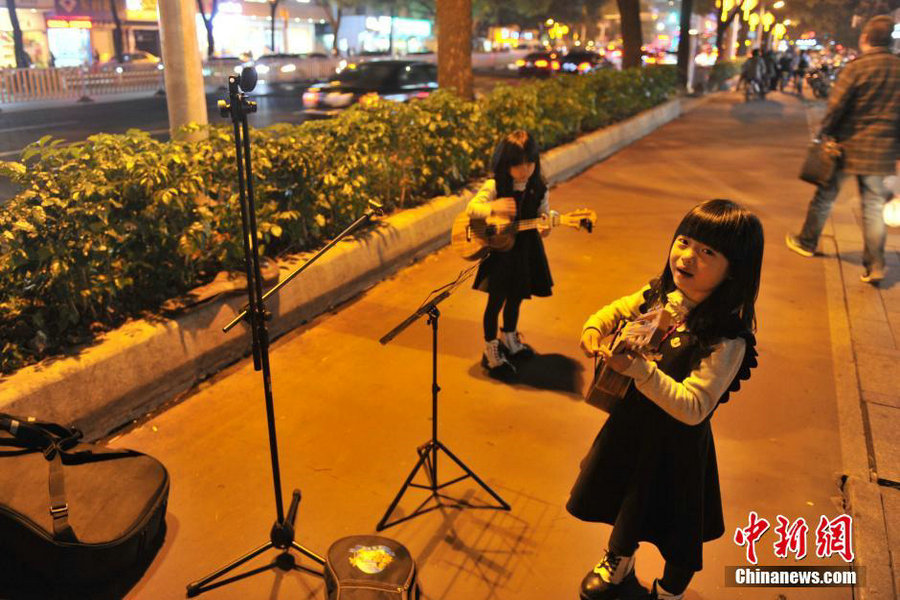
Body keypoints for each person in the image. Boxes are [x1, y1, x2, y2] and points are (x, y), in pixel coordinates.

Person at [570, 199, 764, 600]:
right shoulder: (661, 294)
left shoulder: (726, 339)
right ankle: (619, 562)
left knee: (677, 526)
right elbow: (618, 309)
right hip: (632, 428)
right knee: (626, 502)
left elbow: (694, 408)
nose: (688, 256)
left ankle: (671, 590)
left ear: (735, 270)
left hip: (678, 448)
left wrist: (640, 371)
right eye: (684, 241)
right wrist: (594, 327)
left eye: (707, 251)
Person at [785, 15, 900, 284]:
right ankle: (875, 265)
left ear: (866, 38)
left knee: (825, 196)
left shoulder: (857, 68)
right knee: (873, 207)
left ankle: (807, 241)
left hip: (846, 146)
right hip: (882, 150)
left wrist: (824, 134)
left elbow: (837, 106)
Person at [466, 130, 555, 376]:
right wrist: (493, 206)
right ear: (506, 164)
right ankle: (491, 348)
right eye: (518, 165)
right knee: (495, 301)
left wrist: (546, 227)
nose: (524, 170)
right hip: (500, 254)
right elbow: (472, 208)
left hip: (525, 251)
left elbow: (543, 217)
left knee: (516, 297)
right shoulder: (495, 186)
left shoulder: (539, 187)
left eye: (530, 163)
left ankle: (509, 337)